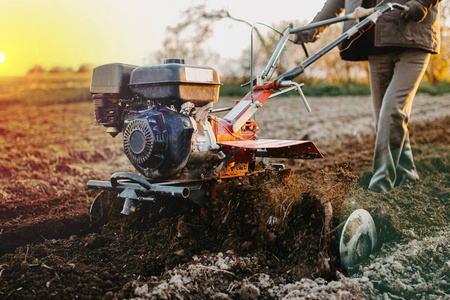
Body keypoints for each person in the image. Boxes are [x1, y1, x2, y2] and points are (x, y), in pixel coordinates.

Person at [295, 0, 441, 192]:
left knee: (392, 110)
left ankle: (380, 186)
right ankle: (408, 176)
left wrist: (422, 2)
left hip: (412, 37)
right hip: (376, 41)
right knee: (384, 118)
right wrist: (314, 26)